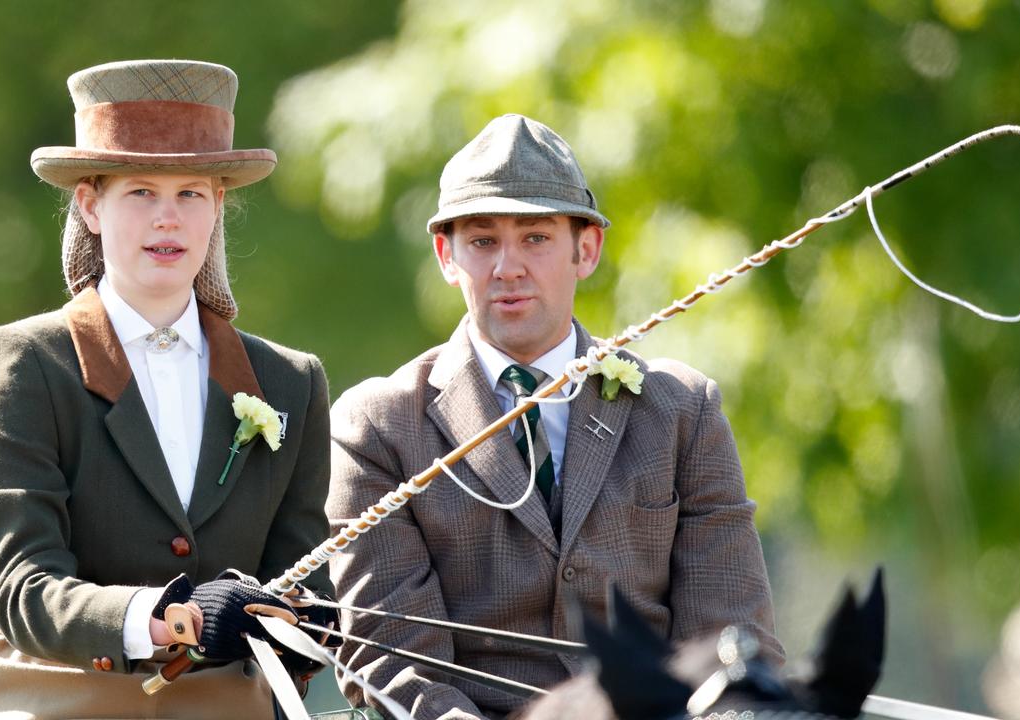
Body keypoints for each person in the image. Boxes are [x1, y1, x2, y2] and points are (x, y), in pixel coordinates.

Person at [325, 113, 783, 719]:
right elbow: (394, 665)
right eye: (483, 241)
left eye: (536, 238)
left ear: (586, 249)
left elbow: (729, 637)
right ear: (446, 254)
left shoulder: (681, 411)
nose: (508, 267)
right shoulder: (377, 427)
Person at [0, 59, 332, 719]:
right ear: (91, 205)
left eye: (190, 194)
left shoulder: (289, 382)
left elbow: (305, 586)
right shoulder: (23, 363)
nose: (167, 218)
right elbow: (21, 589)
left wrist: (296, 622)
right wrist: (170, 621)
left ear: (217, 207)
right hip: (56, 701)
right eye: (141, 193)